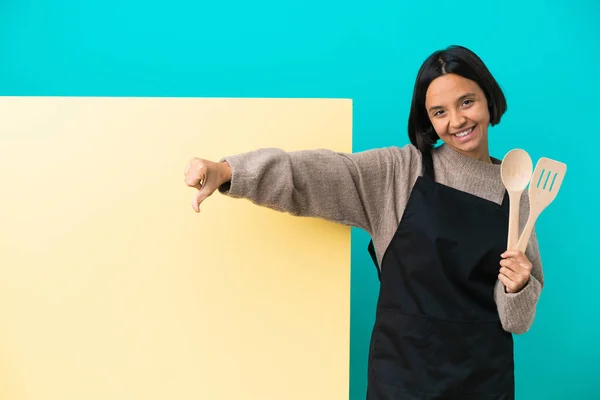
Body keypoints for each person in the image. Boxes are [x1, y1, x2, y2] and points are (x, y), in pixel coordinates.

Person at [183, 45, 543, 399]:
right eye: (439, 112)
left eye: (467, 102)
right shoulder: (400, 172)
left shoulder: (516, 195)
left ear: (488, 98)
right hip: (403, 380)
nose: (457, 121)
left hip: (481, 382)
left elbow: (516, 322)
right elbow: (313, 174)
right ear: (427, 120)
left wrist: (519, 285)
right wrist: (230, 171)